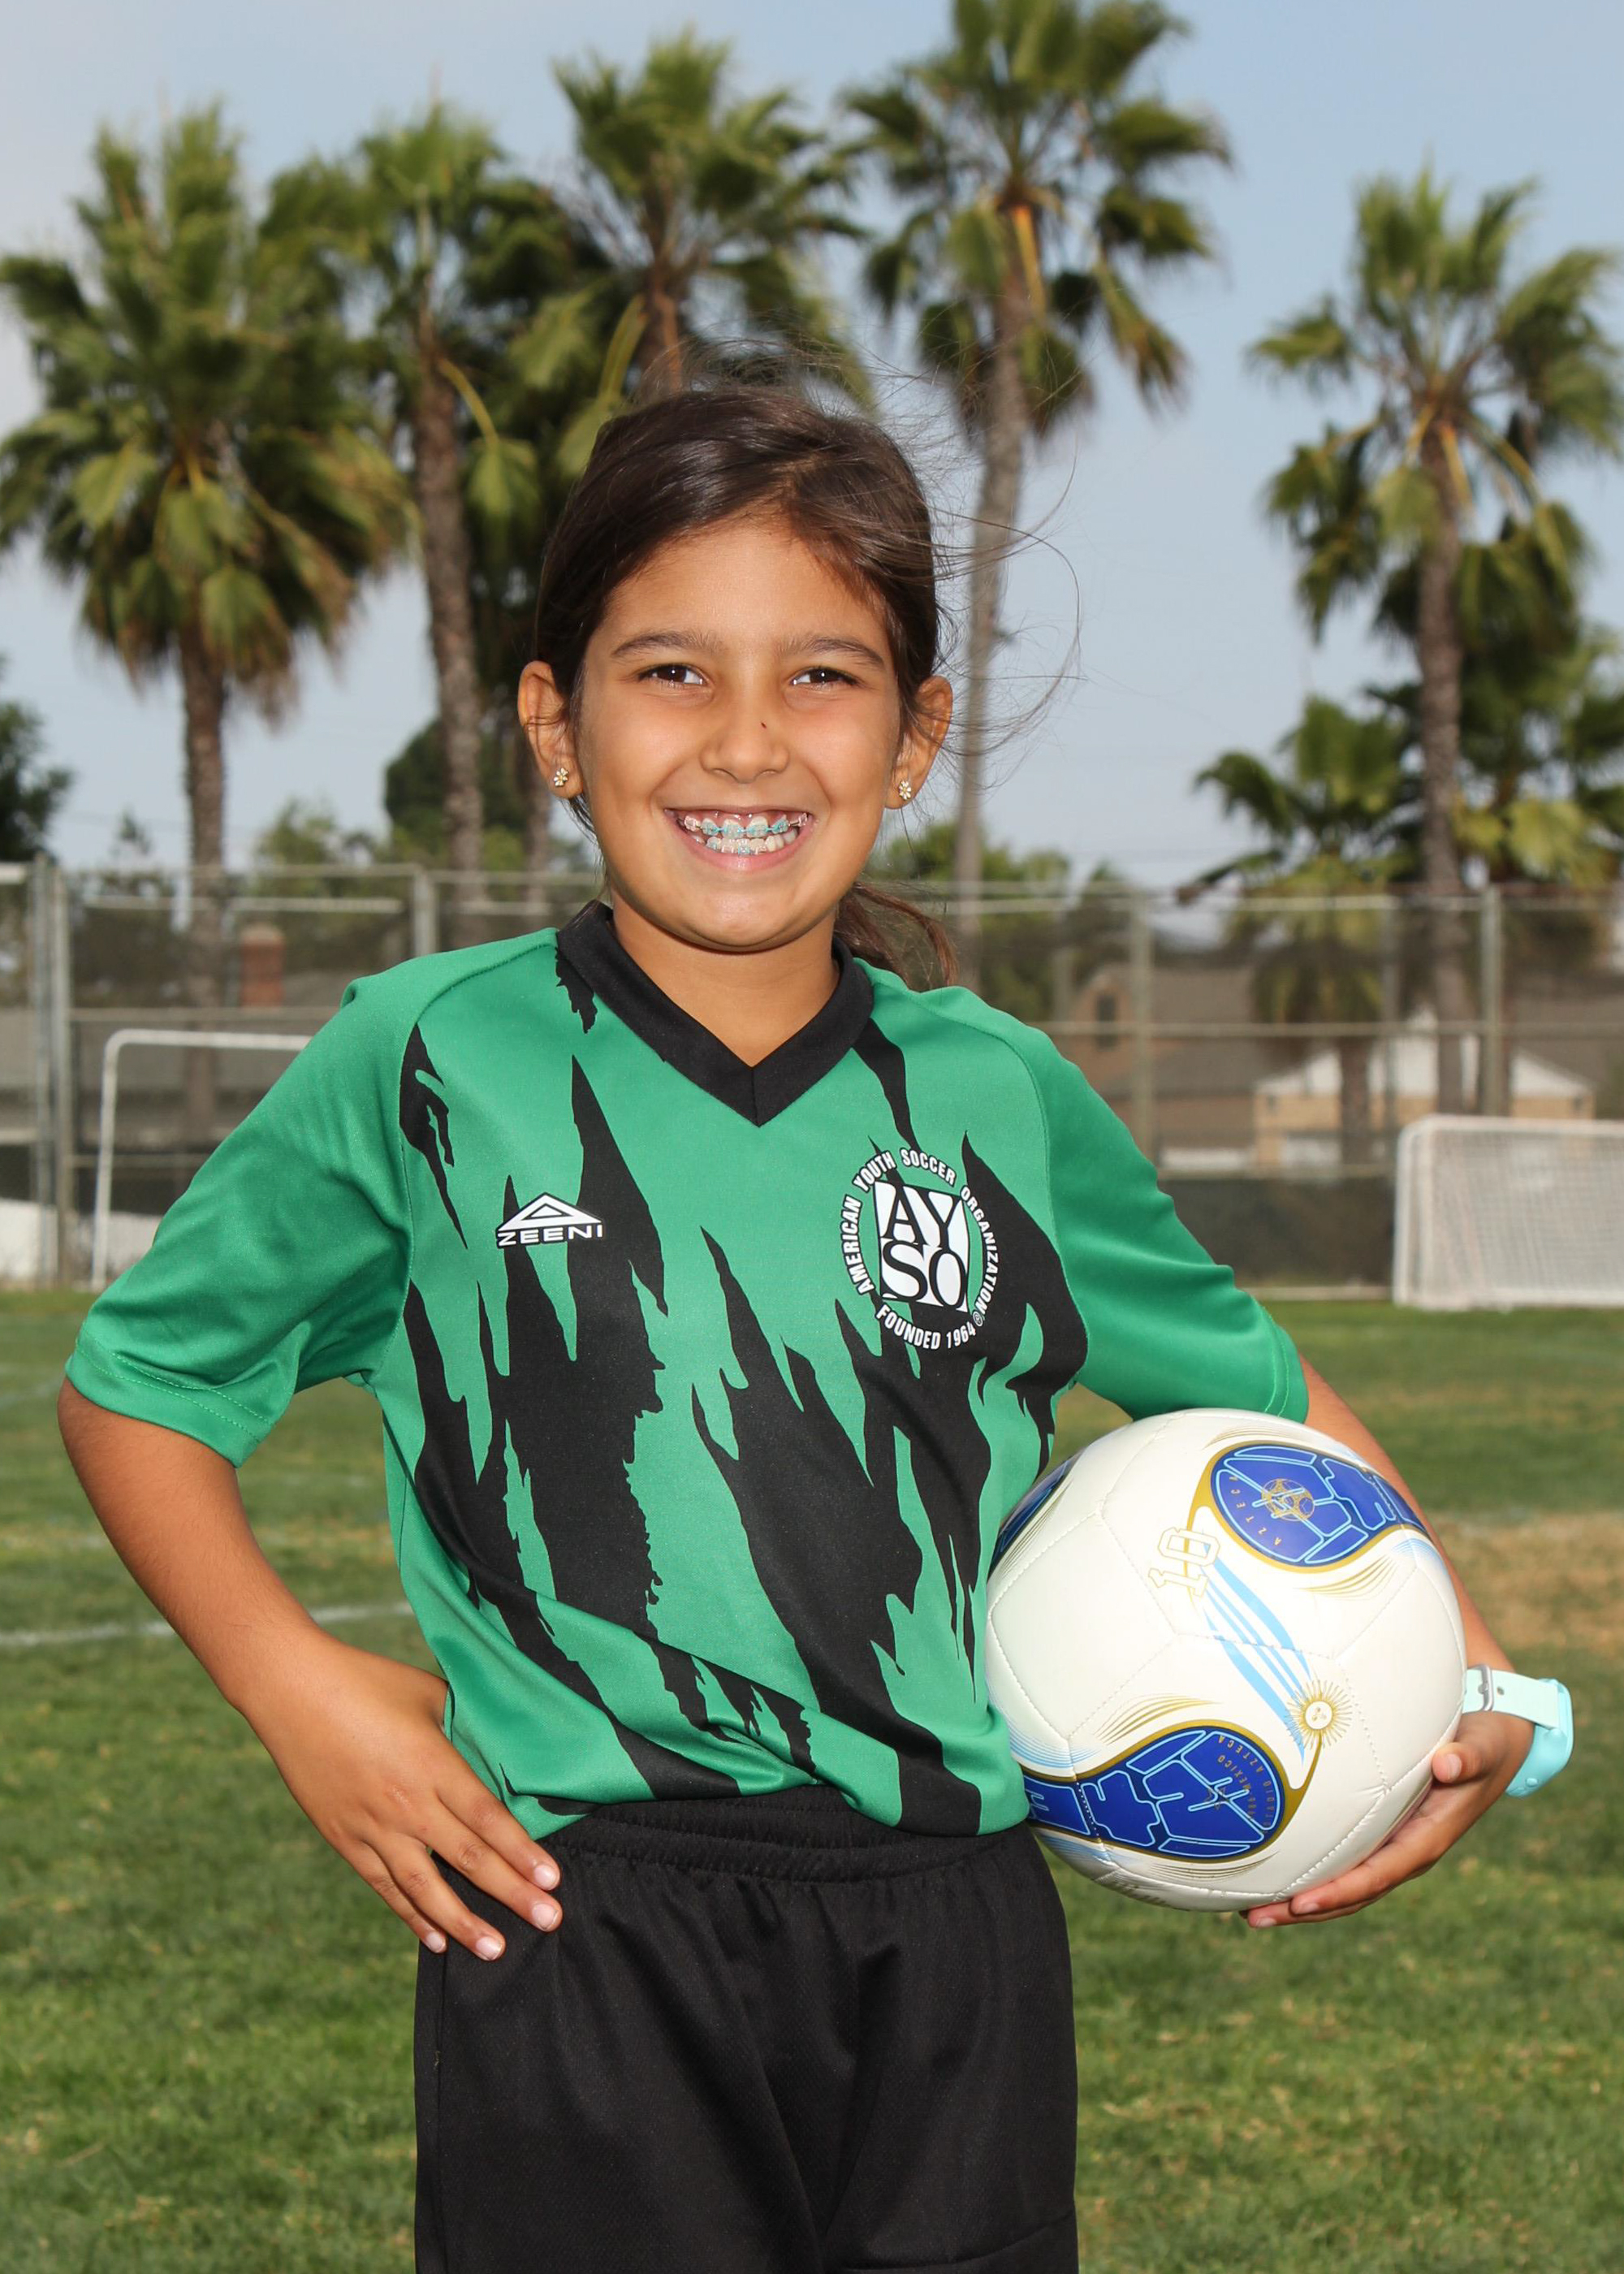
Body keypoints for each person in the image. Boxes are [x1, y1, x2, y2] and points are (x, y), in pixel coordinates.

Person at [58, 385, 1534, 2274]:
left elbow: (1257, 1393)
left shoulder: (997, 1094)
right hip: (578, 1924)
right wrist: (292, 1683)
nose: (745, 739)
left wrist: (1464, 1673)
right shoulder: (428, 1060)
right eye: (671, 669)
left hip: (957, 1941)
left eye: (821, 676)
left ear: (912, 734)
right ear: (554, 723)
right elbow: (141, 1383)